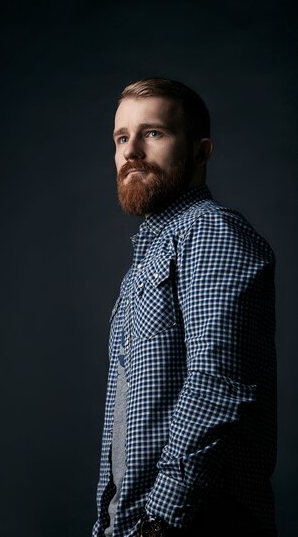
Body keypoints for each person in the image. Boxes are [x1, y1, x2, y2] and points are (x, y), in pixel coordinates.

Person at [91, 78, 277, 537]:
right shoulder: (144, 262)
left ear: (201, 151)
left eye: (152, 133)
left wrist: (160, 519)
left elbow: (219, 384)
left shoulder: (211, 232)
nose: (131, 150)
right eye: (121, 137)